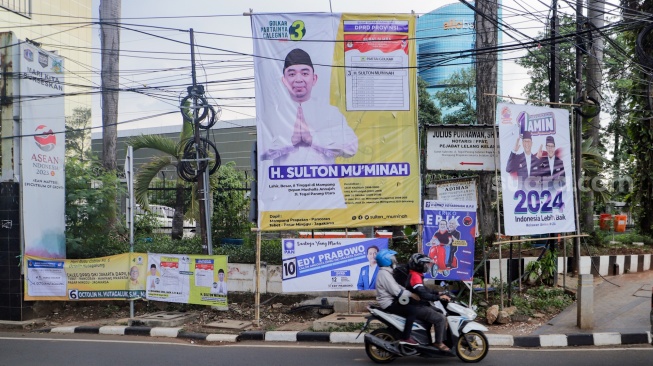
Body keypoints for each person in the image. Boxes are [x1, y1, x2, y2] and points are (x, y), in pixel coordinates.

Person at [260, 48, 358, 211]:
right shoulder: (273, 113)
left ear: (314, 78)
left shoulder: (330, 112)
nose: (298, 79)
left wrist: (314, 140)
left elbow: (352, 146)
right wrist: (288, 142)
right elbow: (262, 150)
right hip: (286, 199)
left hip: (325, 199)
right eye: (291, 74)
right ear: (284, 79)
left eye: (304, 73)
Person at [407, 253, 451, 352]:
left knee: (440, 312)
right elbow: (424, 294)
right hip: (416, 307)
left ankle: (440, 339)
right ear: (419, 265)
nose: (427, 266)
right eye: (425, 264)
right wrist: (439, 297)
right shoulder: (415, 277)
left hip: (419, 304)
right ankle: (438, 343)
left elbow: (425, 289)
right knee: (440, 318)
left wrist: (438, 292)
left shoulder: (417, 275)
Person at [374, 249, 419, 345]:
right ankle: (406, 337)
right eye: (393, 259)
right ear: (387, 261)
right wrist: (411, 295)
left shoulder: (386, 273)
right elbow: (396, 291)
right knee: (412, 311)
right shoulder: (384, 274)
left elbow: (397, 286)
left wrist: (409, 292)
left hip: (391, 300)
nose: (395, 261)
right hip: (388, 303)